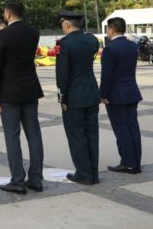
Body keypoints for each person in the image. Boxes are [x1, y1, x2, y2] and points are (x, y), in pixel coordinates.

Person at [0, 1, 44, 194]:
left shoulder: (2, 35)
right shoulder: (33, 32)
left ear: (8, 14)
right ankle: (36, 178)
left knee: (12, 136)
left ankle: (18, 180)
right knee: (34, 134)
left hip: (9, 91)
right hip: (30, 88)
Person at [56, 10, 101, 185]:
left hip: (74, 97)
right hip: (91, 93)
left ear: (67, 24)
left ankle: (83, 174)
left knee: (77, 136)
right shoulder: (92, 40)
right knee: (92, 135)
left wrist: (62, 98)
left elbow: (62, 74)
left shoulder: (65, 44)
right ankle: (93, 173)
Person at [101, 17, 142, 174]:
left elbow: (107, 75)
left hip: (116, 95)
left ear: (111, 29)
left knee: (122, 130)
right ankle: (136, 162)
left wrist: (103, 95)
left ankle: (128, 163)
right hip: (132, 92)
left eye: (107, 29)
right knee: (133, 128)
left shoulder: (110, 49)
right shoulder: (132, 46)